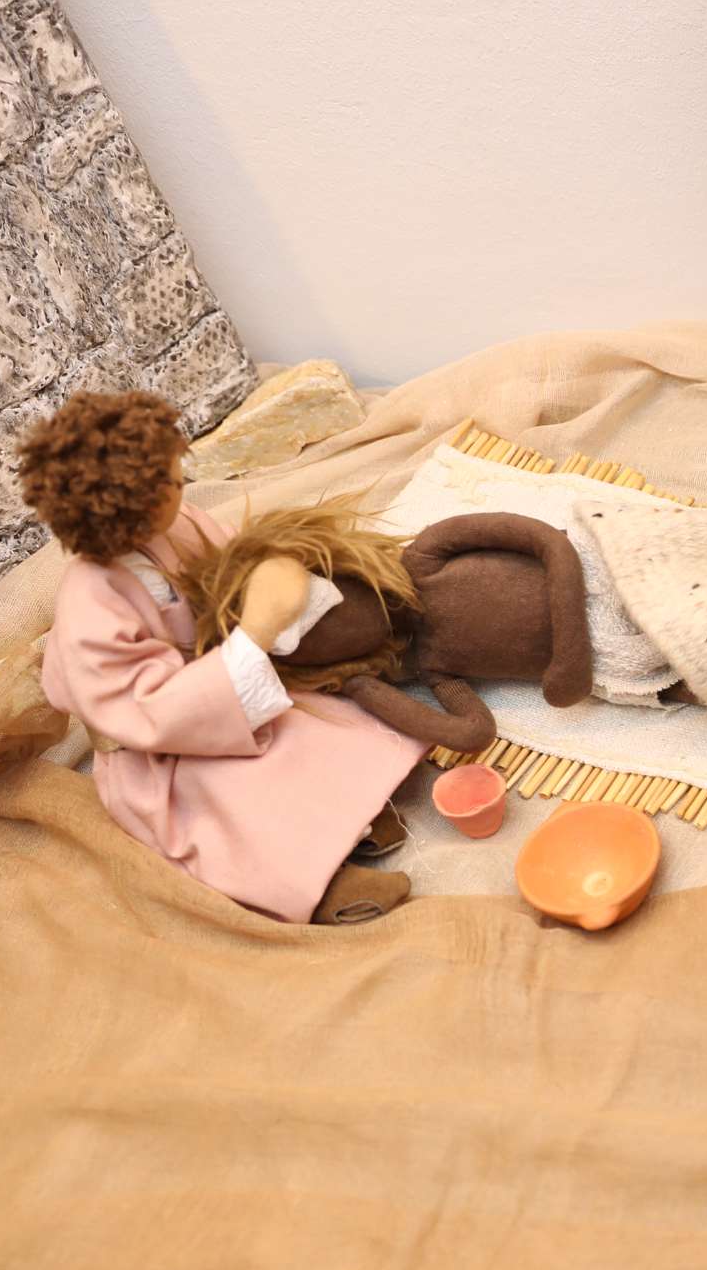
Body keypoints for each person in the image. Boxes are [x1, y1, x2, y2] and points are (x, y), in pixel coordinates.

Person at [23, 391, 426, 925]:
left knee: (313, 730)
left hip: (219, 689)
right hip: (162, 746)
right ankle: (318, 879)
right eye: (171, 483)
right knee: (234, 800)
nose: (183, 484)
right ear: (130, 509)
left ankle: (351, 816)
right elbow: (151, 711)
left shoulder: (175, 526)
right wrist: (255, 631)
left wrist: (265, 571)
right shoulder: (91, 613)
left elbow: (225, 557)